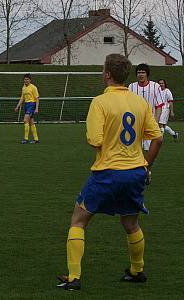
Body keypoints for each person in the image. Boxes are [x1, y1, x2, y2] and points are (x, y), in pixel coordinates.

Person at [57, 54, 163, 291]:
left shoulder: (100, 102)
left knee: (78, 220)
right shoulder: (140, 103)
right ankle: (137, 270)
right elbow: (157, 138)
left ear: (107, 74)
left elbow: (95, 140)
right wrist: (146, 165)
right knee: (131, 223)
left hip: (107, 172)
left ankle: (74, 277)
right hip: (135, 172)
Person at [128, 63, 163, 151]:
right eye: (139, 73)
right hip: (135, 122)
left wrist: (156, 121)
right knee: (134, 149)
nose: (141, 75)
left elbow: (159, 106)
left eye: (143, 72)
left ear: (147, 73)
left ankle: (146, 165)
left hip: (150, 121)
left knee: (149, 149)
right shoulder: (131, 87)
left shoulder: (155, 86)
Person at [14, 74, 40, 144]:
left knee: (25, 120)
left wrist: (36, 108)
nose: (26, 80)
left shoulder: (33, 87)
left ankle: (25, 139)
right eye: (25, 79)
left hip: (32, 104)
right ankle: (36, 139)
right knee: (31, 122)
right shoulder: (23, 87)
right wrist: (17, 106)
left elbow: (37, 98)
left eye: (27, 79)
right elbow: (22, 98)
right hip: (26, 105)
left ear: (30, 80)